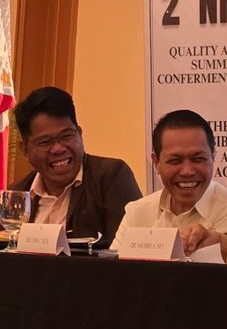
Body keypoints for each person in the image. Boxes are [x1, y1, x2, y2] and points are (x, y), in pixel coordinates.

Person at [9, 87, 140, 251]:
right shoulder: (19, 193)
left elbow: (128, 253)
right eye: (45, 142)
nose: (58, 148)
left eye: (66, 136)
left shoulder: (110, 177)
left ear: (79, 133)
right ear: (25, 150)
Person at [111, 109, 227, 255]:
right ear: (156, 162)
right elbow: (111, 267)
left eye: (198, 159)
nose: (187, 171)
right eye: (175, 160)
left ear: (213, 157)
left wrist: (219, 242)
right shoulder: (137, 213)